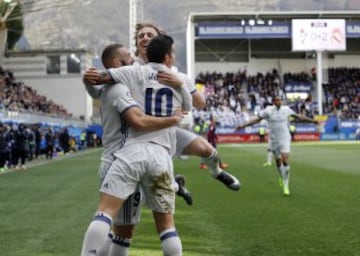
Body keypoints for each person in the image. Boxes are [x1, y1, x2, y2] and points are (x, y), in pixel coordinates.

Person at [81, 34, 190, 256]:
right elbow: (142, 120)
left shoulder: (132, 75)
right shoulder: (174, 81)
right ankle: (176, 186)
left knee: (117, 226)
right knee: (162, 227)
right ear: (169, 57)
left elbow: (98, 81)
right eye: (128, 56)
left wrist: (88, 78)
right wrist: (176, 110)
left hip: (128, 155)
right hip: (148, 155)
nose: (132, 58)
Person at [130, 22, 240, 191]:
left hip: (168, 131)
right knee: (152, 184)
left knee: (206, 148)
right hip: (140, 136)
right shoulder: (131, 71)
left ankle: (217, 172)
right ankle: (175, 186)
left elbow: (200, 103)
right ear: (136, 43)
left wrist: (181, 85)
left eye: (150, 35)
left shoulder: (176, 75)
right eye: (141, 36)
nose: (145, 38)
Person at [236, 96, 318, 196]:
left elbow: (299, 117)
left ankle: (286, 185)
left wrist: (312, 121)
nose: (279, 102)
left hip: (285, 138)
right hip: (274, 140)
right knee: (278, 163)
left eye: (280, 100)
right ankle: (282, 176)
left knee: (285, 160)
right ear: (274, 101)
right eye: (277, 100)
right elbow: (256, 119)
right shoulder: (268, 111)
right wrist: (243, 125)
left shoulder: (286, 109)